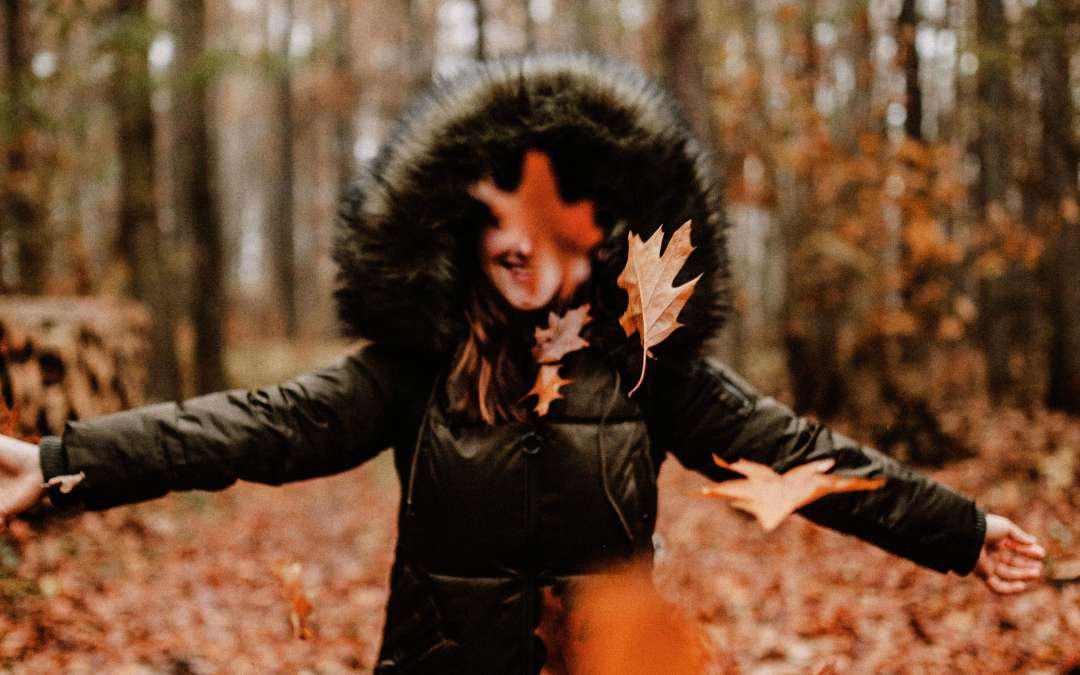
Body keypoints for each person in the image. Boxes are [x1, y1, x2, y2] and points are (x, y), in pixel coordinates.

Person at [0, 54, 1044, 674]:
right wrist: (56, 462)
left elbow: (803, 458)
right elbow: (253, 426)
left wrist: (961, 530)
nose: (521, 243)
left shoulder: (651, 373)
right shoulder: (419, 368)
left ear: (601, 231)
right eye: (499, 214)